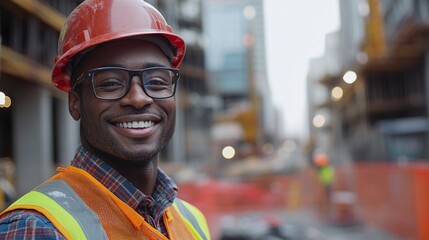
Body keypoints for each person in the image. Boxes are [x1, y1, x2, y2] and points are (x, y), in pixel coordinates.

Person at [0, 0, 210, 239]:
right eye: (110, 83)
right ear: (75, 103)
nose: (138, 98)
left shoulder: (192, 220)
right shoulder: (36, 228)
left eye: (157, 81)